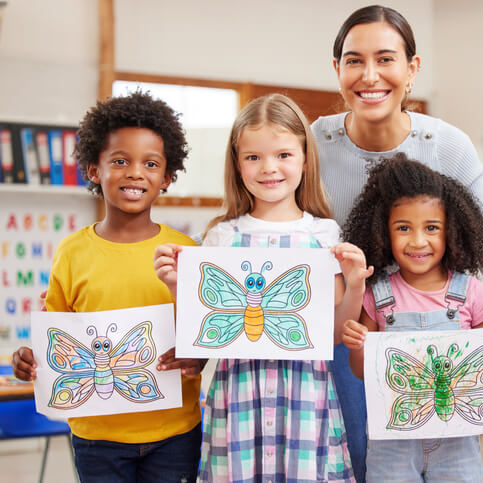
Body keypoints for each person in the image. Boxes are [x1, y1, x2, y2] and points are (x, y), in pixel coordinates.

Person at [311, 6, 483, 479]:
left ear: (412, 69)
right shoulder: (314, 143)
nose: (369, 75)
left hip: (428, 335)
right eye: (354, 61)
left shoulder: (447, 145)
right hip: (346, 328)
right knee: (358, 457)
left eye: (385, 59)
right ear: (337, 71)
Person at [154, 93, 372, 482]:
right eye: (253, 157)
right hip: (238, 397)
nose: (269, 168)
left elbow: (336, 333)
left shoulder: (324, 234)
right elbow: (202, 328)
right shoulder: (221, 236)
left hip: (306, 399)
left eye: (284, 155)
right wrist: (176, 285)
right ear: (237, 165)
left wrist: (355, 286)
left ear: (305, 159)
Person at [11, 91, 203, 482]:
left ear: (166, 177)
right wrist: (31, 357)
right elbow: (58, 333)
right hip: (96, 436)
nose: (135, 173)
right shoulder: (71, 252)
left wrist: (197, 359)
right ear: (93, 169)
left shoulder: (186, 252)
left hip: (175, 432)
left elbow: (203, 337)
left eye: (151, 163)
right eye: (120, 161)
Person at [340, 154, 483, 482]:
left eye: (431, 228)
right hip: (392, 442)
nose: (418, 241)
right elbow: (361, 372)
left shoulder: (471, 293)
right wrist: (357, 345)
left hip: (458, 442)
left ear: (452, 231)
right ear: (383, 232)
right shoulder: (376, 294)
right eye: (403, 228)